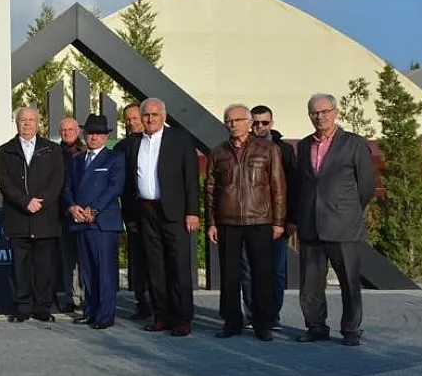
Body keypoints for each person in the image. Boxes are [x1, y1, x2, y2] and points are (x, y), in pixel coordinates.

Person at [293, 93, 375, 347]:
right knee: (310, 284)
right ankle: (316, 326)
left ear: (336, 113)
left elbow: (367, 186)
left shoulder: (353, 143)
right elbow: (302, 185)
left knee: (349, 281)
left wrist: (347, 210)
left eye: (325, 111)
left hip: (343, 225)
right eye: (315, 113)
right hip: (310, 225)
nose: (320, 117)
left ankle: (351, 330)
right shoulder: (304, 145)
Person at [206, 104, 287, 342]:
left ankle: (263, 323)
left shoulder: (268, 149)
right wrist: (211, 222)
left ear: (249, 122)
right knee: (230, 275)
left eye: (238, 119)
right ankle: (231, 322)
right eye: (228, 120)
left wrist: (279, 221)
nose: (233, 124)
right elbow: (210, 189)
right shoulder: (218, 152)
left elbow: (278, 188)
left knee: (262, 274)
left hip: (259, 219)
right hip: (228, 221)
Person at [123, 98, 200, 337]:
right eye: (146, 115)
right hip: (146, 212)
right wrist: (132, 216)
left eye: (154, 115)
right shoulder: (135, 143)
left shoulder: (180, 139)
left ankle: (182, 318)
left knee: (178, 267)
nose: (149, 119)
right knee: (155, 267)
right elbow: (129, 183)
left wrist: (192, 212)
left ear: (163, 116)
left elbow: (191, 178)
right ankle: (161, 316)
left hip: (174, 212)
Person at [0, 107, 64, 323]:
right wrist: (25, 202)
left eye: (31, 120)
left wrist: (40, 202)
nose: (27, 123)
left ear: (38, 123)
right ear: (16, 123)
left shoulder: (52, 150)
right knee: (20, 266)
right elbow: (4, 182)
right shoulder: (5, 150)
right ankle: (22, 307)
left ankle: (43, 307)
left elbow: (57, 181)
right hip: (18, 217)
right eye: (22, 120)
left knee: (44, 266)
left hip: (45, 217)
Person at [62, 115, 124, 330]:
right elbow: (67, 187)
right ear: (85, 135)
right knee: (86, 271)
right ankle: (90, 311)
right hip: (80, 221)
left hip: (102, 223)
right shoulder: (77, 160)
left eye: (98, 133)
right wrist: (72, 207)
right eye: (90, 133)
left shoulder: (114, 158)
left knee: (104, 271)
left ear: (106, 136)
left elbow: (114, 188)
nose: (94, 137)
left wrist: (94, 209)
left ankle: (105, 315)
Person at [249, 104, 298, 329]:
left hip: (277, 220)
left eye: (264, 122)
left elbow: (293, 187)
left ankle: (273, 316)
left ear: (272, 123)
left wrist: (290, 220)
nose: (259, 126)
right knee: (249, 270)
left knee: (276, 271)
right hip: (249, 220)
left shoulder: (285, 150)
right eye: (255, 122)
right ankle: (253, 315)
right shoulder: (242, 147)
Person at [115, 102, 150, 320]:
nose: (131, 122)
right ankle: (142, 303)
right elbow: (123, 187)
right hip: (134, 214)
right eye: (128, 119)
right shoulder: (121, 147)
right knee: (138, 261)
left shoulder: (156, 143)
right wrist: (129, 218)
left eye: (135, 118)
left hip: (158, 213)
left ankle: (161, 303)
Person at [56, 117, 86, 314]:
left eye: (70, 129)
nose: (67, 133)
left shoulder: (85, 153)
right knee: (67, 259)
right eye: (64, 130)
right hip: (61, 212)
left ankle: (85, 297)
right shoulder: (54, 153)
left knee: (84, 259)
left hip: (83, 212)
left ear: (77, 131)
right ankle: (71, 297)